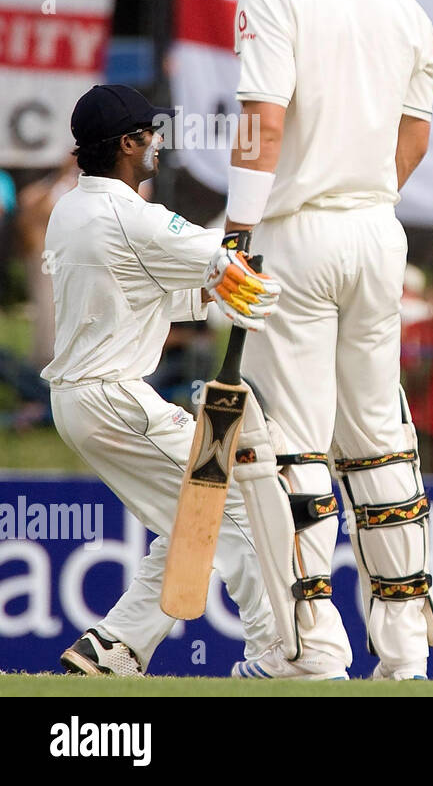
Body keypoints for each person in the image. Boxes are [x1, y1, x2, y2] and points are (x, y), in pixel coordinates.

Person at [221, 0, 433, 680]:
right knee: (379, 438)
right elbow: (415, 133)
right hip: (375, 230)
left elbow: (261, 125)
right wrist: (364, 192)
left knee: (299, 443)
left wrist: (239, 238)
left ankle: (310, 650)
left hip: (295, 232)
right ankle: (405, 654)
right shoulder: (400, 1)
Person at [45, 85, 284, 677]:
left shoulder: (72, 209)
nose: (160, 146)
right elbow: (228, 259)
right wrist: (264, 267)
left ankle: (116, 645)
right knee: (234, 507)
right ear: (129, 144)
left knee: (190, 517)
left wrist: (223, 279)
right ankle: (274, 656)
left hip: (87, 398)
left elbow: (164, 284)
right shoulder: (132, 218)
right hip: (114, 397)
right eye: (152, 135)